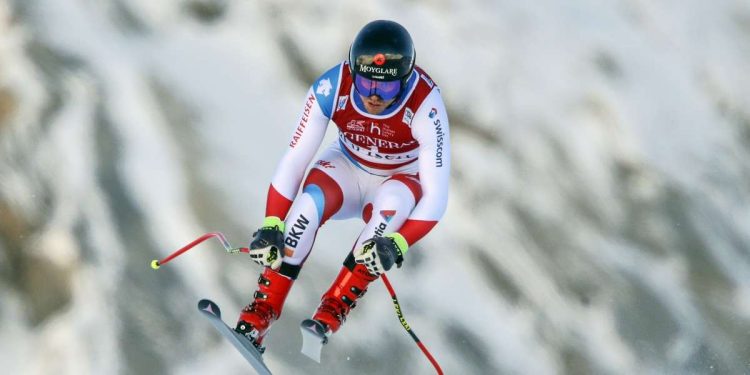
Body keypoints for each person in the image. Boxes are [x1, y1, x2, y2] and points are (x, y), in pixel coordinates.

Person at [234, 19, 451, 352]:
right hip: (347, 168)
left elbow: (435, 197)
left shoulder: (425, 103)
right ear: (352, 72)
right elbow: (294, 160)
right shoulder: (332, 86)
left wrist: (397, 244)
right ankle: (260, 315)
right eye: (365, 85)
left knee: (387, 219)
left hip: (397, 180)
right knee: (307, 204)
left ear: (406, 81)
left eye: (388, 88)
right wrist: (272, 222)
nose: (375, 96)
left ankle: (331, 312)